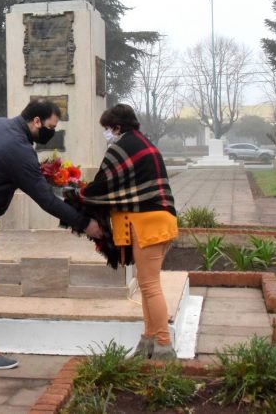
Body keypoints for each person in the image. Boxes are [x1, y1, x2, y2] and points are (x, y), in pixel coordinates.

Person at [0, 99, 104, 370]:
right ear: (36, 121)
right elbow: (46, 201)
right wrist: (85, 224)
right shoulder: (19, 149)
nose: (51, 133)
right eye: (50, 126)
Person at [80, 104, 179, 361]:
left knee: (150, 285)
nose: (106, 133)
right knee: (147, 286)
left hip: (146, 224)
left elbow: (103, 184)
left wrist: (79, 193)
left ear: (117, 127)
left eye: (107, 128)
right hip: (160, 221)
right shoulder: (145, 144)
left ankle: (164, 346)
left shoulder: (121, 148)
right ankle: (148, 340)